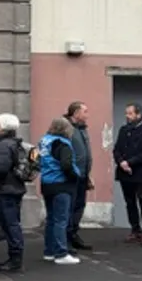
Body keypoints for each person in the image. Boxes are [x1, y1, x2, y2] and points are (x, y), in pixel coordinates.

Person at [0, 113, 27, 273]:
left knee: (10, 224)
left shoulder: (4, 145)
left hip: (6, 189)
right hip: (14, 187)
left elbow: (1, 168)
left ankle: (15, 259)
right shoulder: (15, 143)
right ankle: (15, 257)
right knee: (13, 223)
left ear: (2, 126)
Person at [112, 102, 142, 246]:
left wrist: (130, 162)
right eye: (126, 113)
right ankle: (135, 229)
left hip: (140, 172)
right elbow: (116, 149)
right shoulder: (124, 129)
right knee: (130, 202)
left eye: (130, 113)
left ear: (138, 114)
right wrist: (121, 162)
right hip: (124, 172)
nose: (127, 116)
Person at [38, 116, 81, 265]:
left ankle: (49, 251)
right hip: (61, 184)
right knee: (61, 220)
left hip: (47, 184)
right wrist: (75, 177)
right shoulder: (63, 144)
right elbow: (66, 165)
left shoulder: (45, 141)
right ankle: (61, 253)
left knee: (51, 219)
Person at [64, 101, 94, 252]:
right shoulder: (66, 129)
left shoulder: (82, 129)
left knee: (79, 206)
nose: (87, 115)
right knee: (69, 208)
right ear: (76, 113)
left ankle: (73, 234)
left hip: (83, 175)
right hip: (71, 176)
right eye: (85, 111)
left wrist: (88, 175)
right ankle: (66, 239)